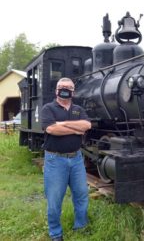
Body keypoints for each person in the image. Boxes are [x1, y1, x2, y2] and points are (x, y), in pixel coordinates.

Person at [41, 77, 91, 241]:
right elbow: (51, 129)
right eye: (61, 87)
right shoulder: (48, 108)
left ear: (73, 91)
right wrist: (75, 129)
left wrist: (62, 124)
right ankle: (56, 234)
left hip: (76, 159)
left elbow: (86, 126)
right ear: (56, 90)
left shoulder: (78, 109)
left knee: (81, 194)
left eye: (68, 87)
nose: (65, 89)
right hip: (55, 160)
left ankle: (81, 226)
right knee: (54, 198)